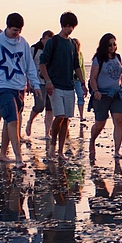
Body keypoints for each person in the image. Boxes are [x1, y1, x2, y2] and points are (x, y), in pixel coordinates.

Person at [0, 12, 42, 168]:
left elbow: (29, 66)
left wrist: (36, 84)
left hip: (19, 87)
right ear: (7, 27)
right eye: (14, 30)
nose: (17, 33)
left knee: (9, 120)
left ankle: (3, 154)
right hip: (2, 86)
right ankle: (19, 157)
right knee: (13, 119)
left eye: (19, 30)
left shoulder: (23, 43)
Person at [38, 11, 87, 160]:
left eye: (72, 26)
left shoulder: (72, 44)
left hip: (69, 86)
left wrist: (83, 83)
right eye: (67, 26)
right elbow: (42, 63)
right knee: (58, 116)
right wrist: (48, 81)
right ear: (62, 25)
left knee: (66, 118)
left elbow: (76, 66)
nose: (70, 29)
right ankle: (52, 147)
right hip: (55, 86)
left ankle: (60, 151)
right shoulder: (53, 42)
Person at [88, 33, 122, 160]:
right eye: (110, 45)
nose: (112, 47)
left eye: (114, 44)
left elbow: (120, 76)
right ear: (104, 46)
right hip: (102, 95)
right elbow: (92, 78)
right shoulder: (98, 59)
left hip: (117, 94)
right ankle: (92, 141)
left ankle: (117, 151)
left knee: (119, 121)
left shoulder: (118, 57)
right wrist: (95, 91)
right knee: (100, 124)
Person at [25, 30, 54, 139]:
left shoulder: (53, 51)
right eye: (47, 40)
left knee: (50, 108)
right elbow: (28, 65)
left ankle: (47, 132)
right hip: (37, 82)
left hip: (50, 82)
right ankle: (30, 122)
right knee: (39, 105)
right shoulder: (34, 49)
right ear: (42, 39)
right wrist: (28, 81)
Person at [72, 38, 86, 122]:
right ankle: (68, 116)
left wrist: (83, 81)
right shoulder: (69, 54)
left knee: (81, 96)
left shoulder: (80, 54)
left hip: (78, 79)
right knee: (70, 97)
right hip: (69, 79)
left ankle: (81, 116)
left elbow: (82, 68)